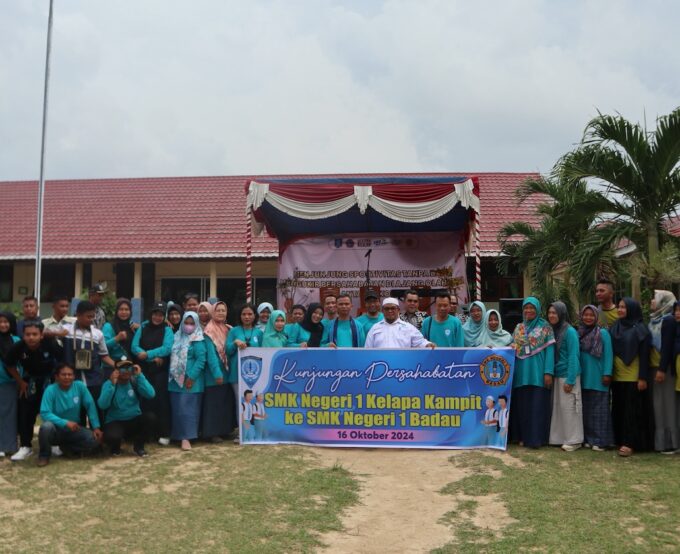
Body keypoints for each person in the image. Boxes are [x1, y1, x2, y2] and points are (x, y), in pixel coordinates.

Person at [6, 321, 62, 462]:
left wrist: (58, 384)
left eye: (34, 334)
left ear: (41, 335)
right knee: (26, 413)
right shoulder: (18, 347)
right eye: (27, 334)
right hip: (29, 381)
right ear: (23, 336)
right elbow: (9, 364)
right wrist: (20, 381)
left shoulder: (50, 344)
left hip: (49, 381)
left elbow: (62, 362)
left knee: (52, 412)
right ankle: (26, 446)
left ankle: (54, 443)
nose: (31, 337)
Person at [510, 297, 555, 449]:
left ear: (537, 309)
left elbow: (550, 351)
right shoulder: (518, 327)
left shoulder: (545, 327)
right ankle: (522, 437)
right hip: (521, 374)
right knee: (522, 408)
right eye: (526, 308)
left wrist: (548, 372)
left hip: (537, 373)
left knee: (537, 408)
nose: (528, 311)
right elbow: (512, 347)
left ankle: (536, 439)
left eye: (532, 308)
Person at [37, 363, 103, 467]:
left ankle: (67, 448)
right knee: (46, 427)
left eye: (70, 374)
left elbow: (90, 405)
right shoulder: (50, 390)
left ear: (74, 376)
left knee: (95, 440)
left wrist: (96, 427)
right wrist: (65, 423)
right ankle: (44, 456)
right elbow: (45, 413)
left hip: (73, 429)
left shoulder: (80, 386)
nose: (67, 377)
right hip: (55, 429)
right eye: (63, 374)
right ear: (57, 376)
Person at [62, 301, 116, 425]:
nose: (92, 319)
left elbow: (104, 356)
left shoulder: (98, 334)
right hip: (72, 379)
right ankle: (79, 440)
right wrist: (58, 334)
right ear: (78, 315)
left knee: (96, 410)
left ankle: (98, 441)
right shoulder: (66, 330)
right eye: (88, 316)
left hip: (94, 379)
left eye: (93, 316)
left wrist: (117, 365)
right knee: (76, 412)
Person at [610, 298, 651, 457]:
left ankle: (630, 443)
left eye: (623, 308)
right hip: (617, 376)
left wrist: (642, 378)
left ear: (632, 309)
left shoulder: (641, 329)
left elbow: (645, 355)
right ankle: (620, 439)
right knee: (618, 409)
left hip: (633, 377)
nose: (620, 310)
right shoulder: (615, 327)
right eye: (619, 307)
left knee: (632, 412)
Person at [131, 302, 174, 446]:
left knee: (161, 402)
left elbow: (167, 348)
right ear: (151, 314)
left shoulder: (167, 329)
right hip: (143, 371)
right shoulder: (143, 327)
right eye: (155, 314)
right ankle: (147, 433)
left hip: (159, 372)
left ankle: (163, 433)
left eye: (161, 314)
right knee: (145, 401)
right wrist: (144, 355)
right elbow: (134, 346)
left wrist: (148, 354)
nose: (157, 317)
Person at [97, 360, 156, 457]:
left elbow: (151, 394)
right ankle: (115, 447)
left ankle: (139, 447)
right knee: (112, 436)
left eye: (129, 368)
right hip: (115, 421)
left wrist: (140, 376)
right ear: (116, 371)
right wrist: (112, 385)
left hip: (133, 419)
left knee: (150, 417)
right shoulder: (109, 384)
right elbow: (102, 405)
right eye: (123, 369)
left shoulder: (135, 381)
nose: (126, 371)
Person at [547, 301, 583, 451]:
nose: (551, 315)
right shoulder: (553, 330)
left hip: (568, 374)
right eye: (549, 312)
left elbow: (574, 356)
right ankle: (560, 437)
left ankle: (574, 440)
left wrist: (570, 380)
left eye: (554, 313)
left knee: (570, 408)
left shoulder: (569, 331)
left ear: (561, 313)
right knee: (559, 408)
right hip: (557, 374)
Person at [168, 311, 207, 451]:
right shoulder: (176, 337)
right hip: (174, 380)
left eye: (192, 323)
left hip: (191, 381)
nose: (189, 326)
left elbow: (201, 360)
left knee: (188, 410)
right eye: (186, 323)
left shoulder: (199, 339)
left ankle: (187, 437)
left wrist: (191, 377)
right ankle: (177, 435)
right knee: (177, 409)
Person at [578, 305, 614, 451]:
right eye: (585, 315)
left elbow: (609, 355)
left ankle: (600, 441)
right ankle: (588, 438)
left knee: (600, 412)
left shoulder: (603, 333)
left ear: (596, 317)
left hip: (599, 378)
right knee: (586, 411)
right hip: (584, 377)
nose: (588, 318)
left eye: (591, 315)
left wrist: (607, 373)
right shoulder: (579, 333)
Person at [227, 304, 264, 442]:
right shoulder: (234, 331)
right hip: (237, 373)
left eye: (250, 314)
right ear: (240, 316)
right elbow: (227, 351)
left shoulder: (259, 333)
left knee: (254, 403)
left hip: (255, 375)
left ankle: (254, 432)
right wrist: (235, 343)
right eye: (244, 314)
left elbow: (263, 352)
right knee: (241, 403)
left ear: (255, 316)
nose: (247, 317)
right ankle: (242, 433)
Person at [649, 290, 679, 453]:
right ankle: (662, 443)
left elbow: (667, 347)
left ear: (663, 302)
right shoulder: (655, 320)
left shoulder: (668, 321)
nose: (652, 301)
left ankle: (671, 443)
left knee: (667, 406)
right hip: (655, 368)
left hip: (664, 370)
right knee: (658, 406)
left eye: (655, 298)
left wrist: (661, 369)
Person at [201, 301, 233, 442]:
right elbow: (211, 355)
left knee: (224, 403)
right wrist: (217, 373)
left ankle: (224, 430)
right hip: (214, 375)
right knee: (213, 404)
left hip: (227, 372)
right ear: (213, 313)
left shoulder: (228, 329)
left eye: (223, 310)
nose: (221, 313)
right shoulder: (209, 330)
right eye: (218, 310)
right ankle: (212, 433)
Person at [365, 298, 435, 348]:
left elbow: (420, 342)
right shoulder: (375, 328)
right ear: (382, 311)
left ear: (398, 310)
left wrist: (427, 344)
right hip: (381, 366)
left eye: (393, 308)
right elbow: (367, 350)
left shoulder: (408, 327)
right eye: (387, 309)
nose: (390, 311)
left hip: (402, 367)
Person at [0, 312, 20, 458]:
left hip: (11, 383)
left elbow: (20, 363)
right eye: (0, 322)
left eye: (6, 322)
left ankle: (9, 445)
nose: (3, 325)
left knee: (9, 415)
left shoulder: (17, 340)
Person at [102, 298, 139, 367]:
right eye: (121, 309)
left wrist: (139, 330)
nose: (124, 312)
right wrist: (116, 339)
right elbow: (102, 347)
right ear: (116, 311)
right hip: (112, 367)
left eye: (126, 309)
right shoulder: (108, 326)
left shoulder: (132, 326)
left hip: (130, 367)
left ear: (130, 311)